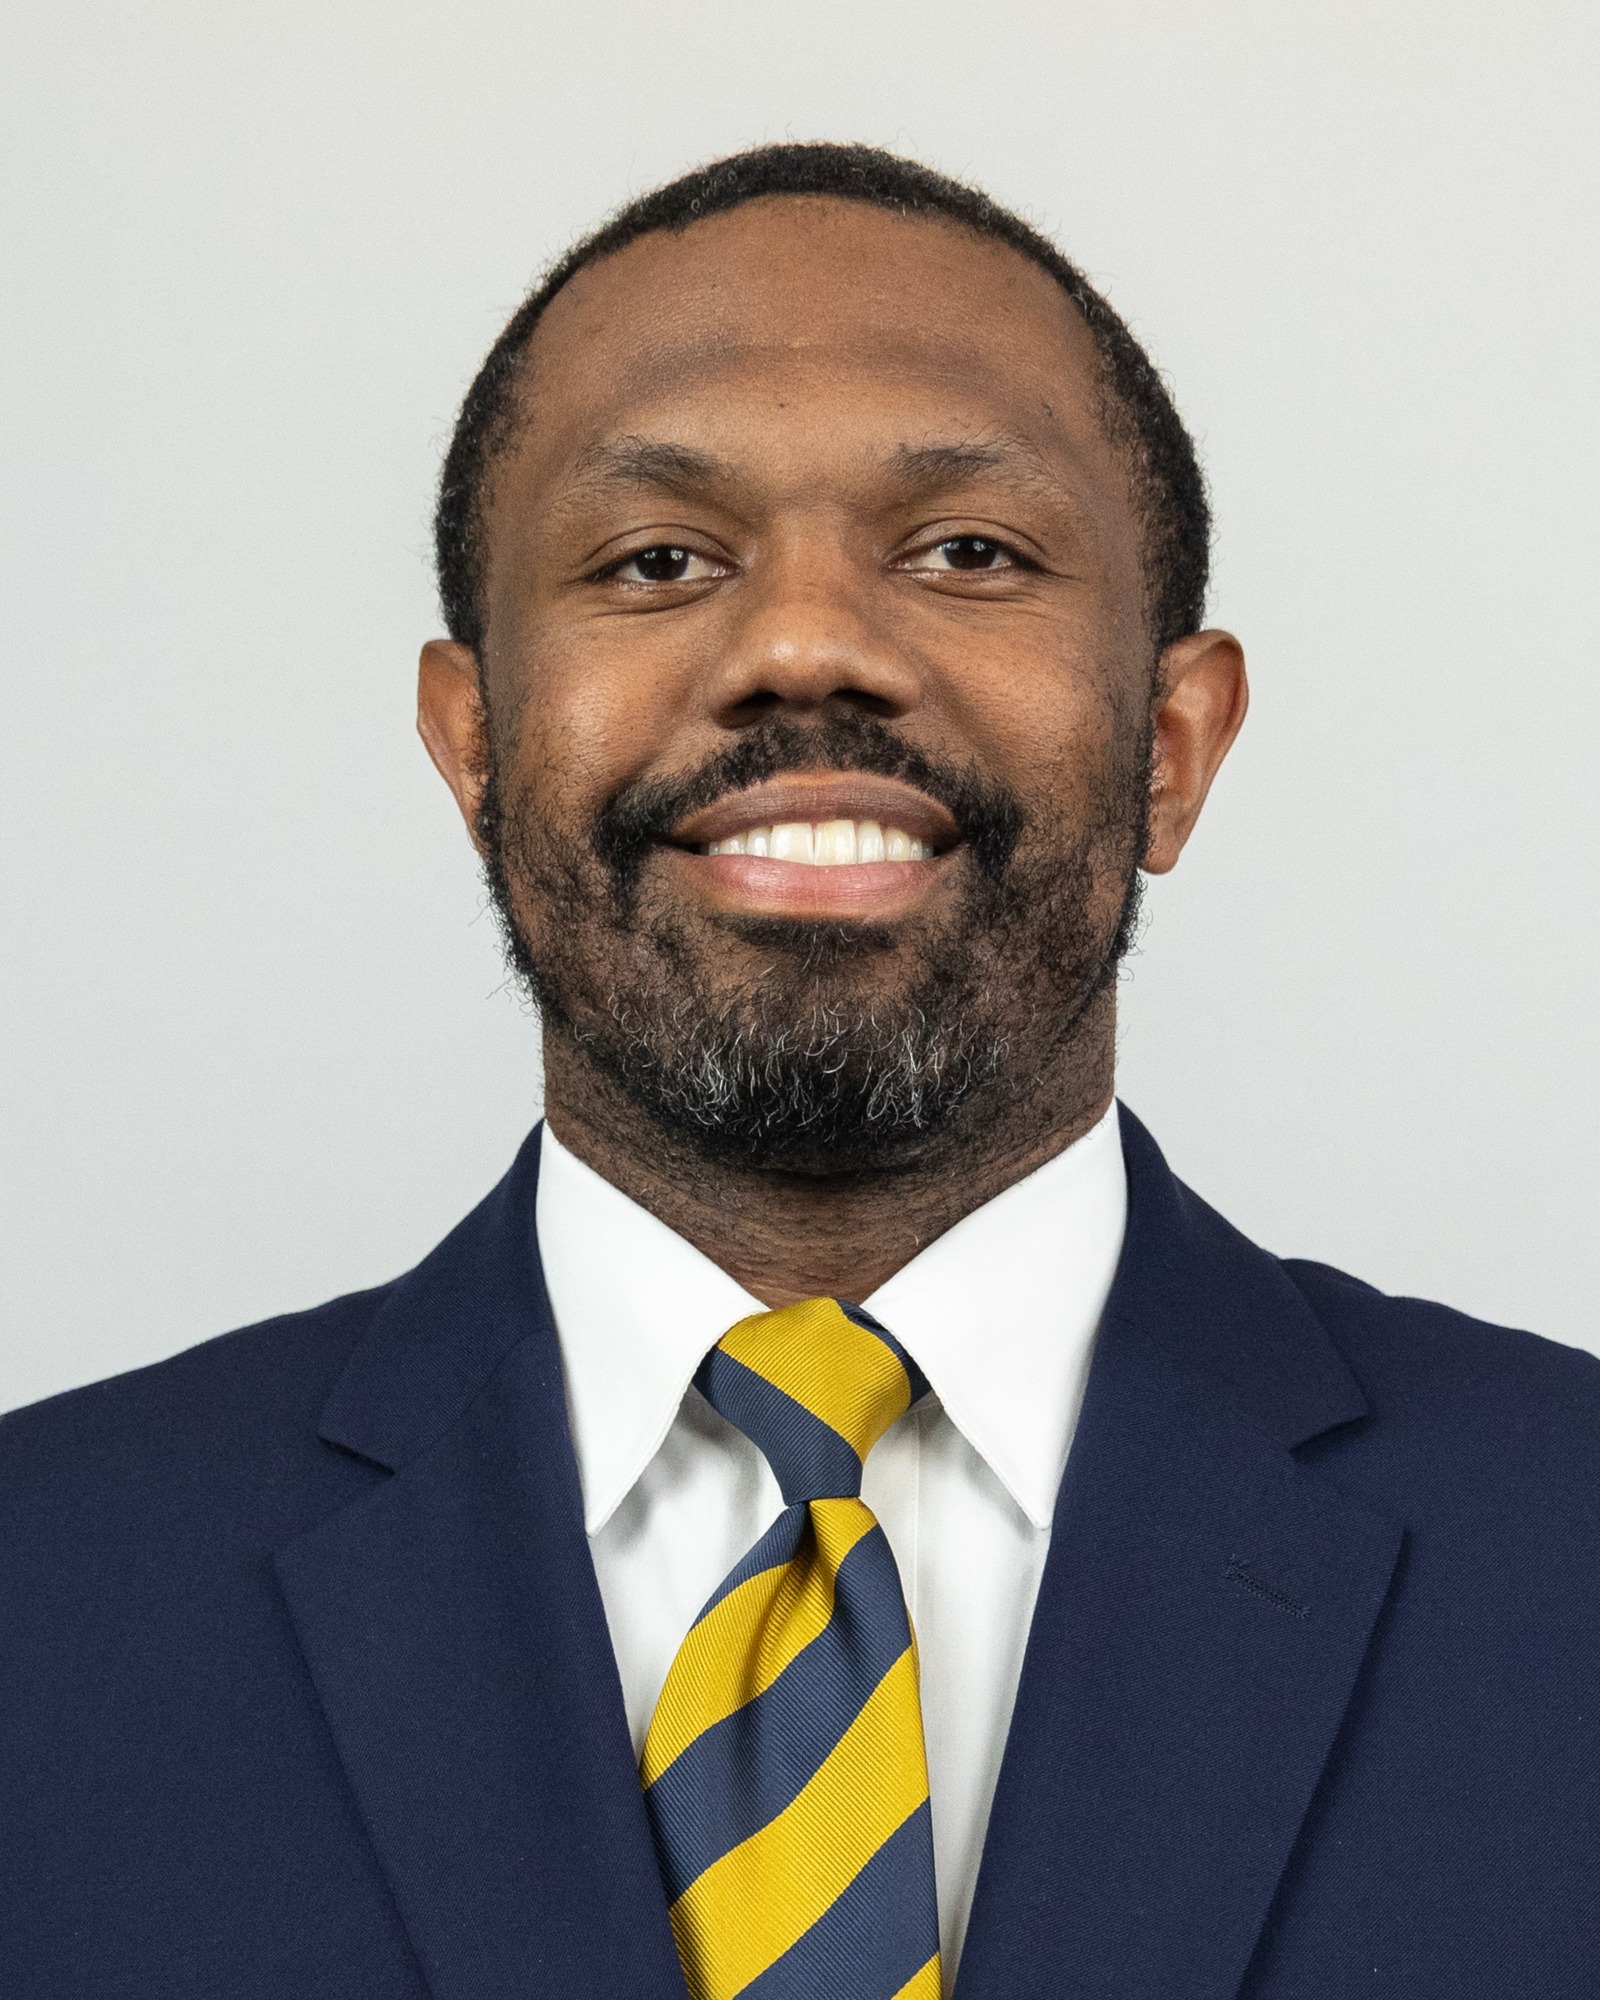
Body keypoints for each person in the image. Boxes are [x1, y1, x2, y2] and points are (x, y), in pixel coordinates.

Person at [3, 141, 1597, 2000]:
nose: (807, 645)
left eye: (968, 553)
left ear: (1173, 745)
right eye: (660, 558)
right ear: (474, 747)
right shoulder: (42, 1598)